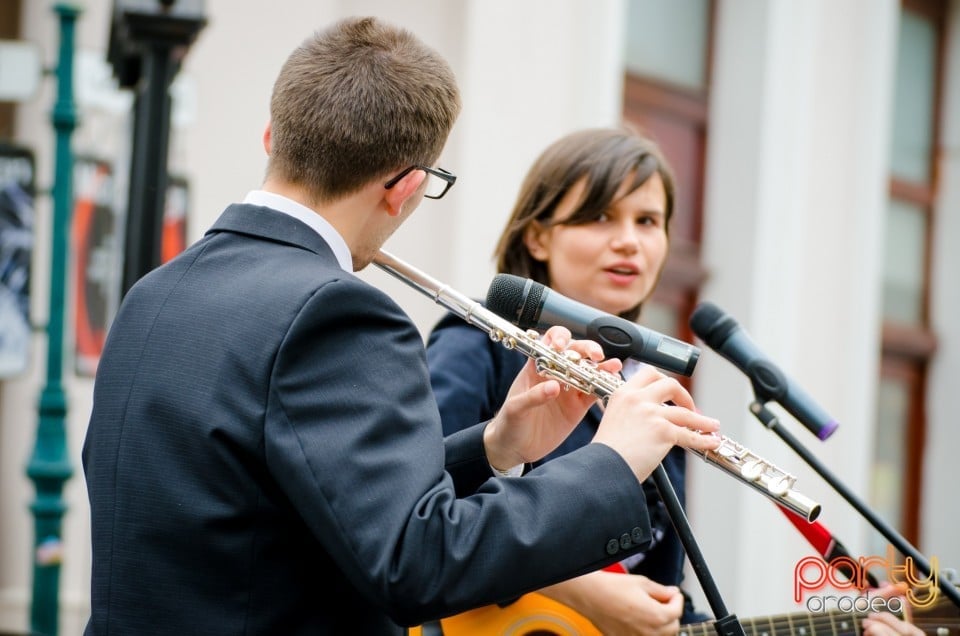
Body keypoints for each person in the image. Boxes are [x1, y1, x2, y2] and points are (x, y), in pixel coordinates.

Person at [80, 16, 723, 636]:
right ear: (406, 187)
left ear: (272, 135)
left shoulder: (156, 291)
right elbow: (419, 564)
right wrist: (612, 461)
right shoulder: (338, 310)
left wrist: (498, 446)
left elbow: (298, 500)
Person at [426, 127, 928, 636]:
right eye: (600, 216)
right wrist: (583, 589)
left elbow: (663, 603)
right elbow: (423, 499)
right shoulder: (481, 342)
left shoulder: (657, 397)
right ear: (537, 235)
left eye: (648, 221)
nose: (629, 240)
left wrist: (846, 628)